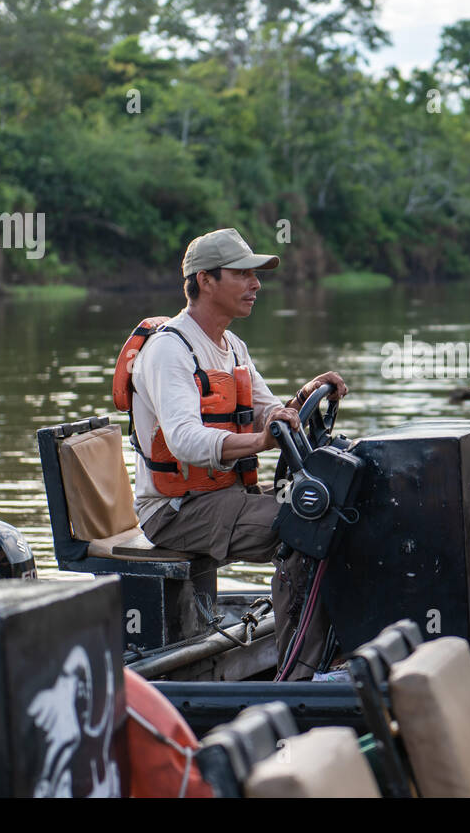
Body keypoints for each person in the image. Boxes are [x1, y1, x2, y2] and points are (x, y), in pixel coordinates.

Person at [129, 228, 348, 680]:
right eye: (243, 274)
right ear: (205, 280)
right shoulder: (170, 350)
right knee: (301, 532)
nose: (256, 284)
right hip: (175, 510)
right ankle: (300, 678)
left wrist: (306, 394)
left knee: (339, 512)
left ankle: (337, 651)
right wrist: (261, 441)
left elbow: (270, 409)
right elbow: (185, 440)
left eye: (256, 275)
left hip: (223, 495)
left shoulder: (233, 347)